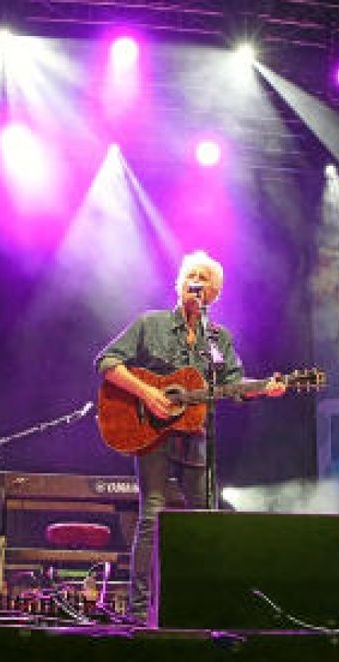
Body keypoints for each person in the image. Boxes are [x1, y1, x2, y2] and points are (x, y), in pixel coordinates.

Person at [94, 250, 286, 624]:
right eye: (190, 276)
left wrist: (264, 388)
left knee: (202, 516)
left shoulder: (218, 339)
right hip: (150, 432)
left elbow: (232, 385)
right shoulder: (151, 325)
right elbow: (107, 363)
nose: (195, 281)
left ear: (213, 293)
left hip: (196, 434)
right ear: (180, 284)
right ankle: (139, 611)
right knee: (152, 512)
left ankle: (194, 604)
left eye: (203, 278)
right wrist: (148, 393)